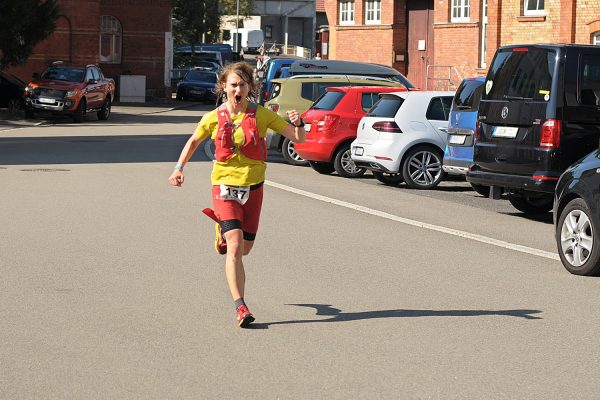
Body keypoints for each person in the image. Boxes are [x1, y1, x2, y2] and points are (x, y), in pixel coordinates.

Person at [168, 62, 306, 328]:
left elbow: (296, 138)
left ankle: (223, 231)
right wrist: (178, 168)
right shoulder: (212, 117)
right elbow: (194, 141)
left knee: (245, 248)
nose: (238, 89)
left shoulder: (262, 115)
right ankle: (241, 306)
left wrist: (299, 124)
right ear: (224, 87)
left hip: (254, 188)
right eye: (233, 85)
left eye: (243, 85)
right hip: (223, 187)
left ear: (249, 88)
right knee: (234, 248)